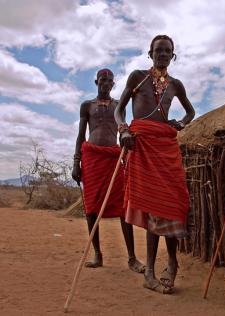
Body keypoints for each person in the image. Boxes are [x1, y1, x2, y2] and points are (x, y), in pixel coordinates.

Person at [114, 35, 195, 294]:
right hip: (142, 147)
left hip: (165, 148)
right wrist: (123, 129)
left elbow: (190, 112)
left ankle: (171, 262)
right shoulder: (137, 77)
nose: (162, 54)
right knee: (152, 205)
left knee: (173, 203)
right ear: (150, 53)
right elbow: (119, 108)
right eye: (158, 50)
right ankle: (149, 270)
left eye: (167, 51)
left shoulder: (176, 85)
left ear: (173, 55)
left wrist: (180, 123)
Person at [72, 68, 145, 273]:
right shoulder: (87, 106)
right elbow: (80, 135)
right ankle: (97, 254)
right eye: (102, 79)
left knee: (122, 206)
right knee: (91, 208)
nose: (106, 83)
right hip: (91, 159)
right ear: (96, 82)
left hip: (113, 158)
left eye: (109, 80)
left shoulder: (117, 106)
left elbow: (123, 130)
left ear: (113, 84)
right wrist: (76, 162)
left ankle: (132, 258)